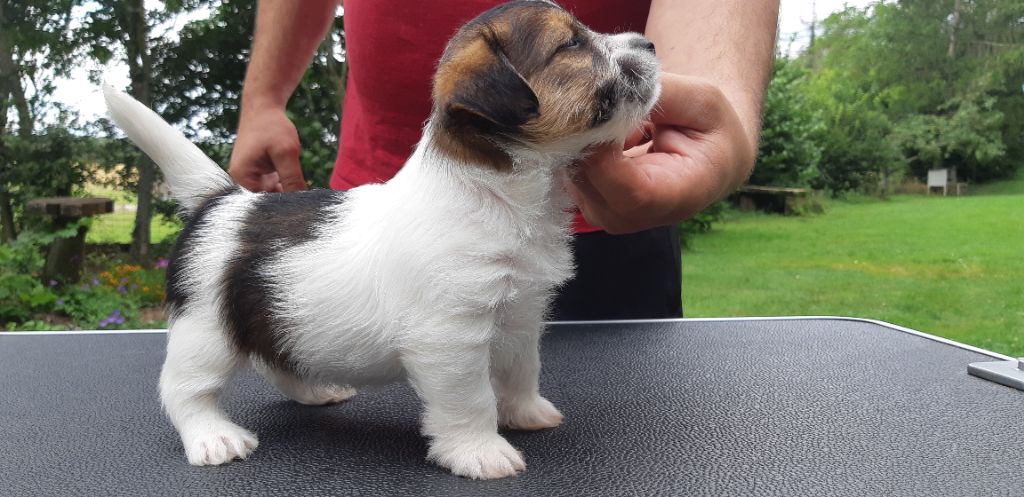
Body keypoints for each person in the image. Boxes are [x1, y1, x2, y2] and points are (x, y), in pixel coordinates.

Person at [228, 0, 780, 320]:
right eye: (571, 46)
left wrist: (710, 91)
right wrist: (262, 98)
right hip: (380, 207)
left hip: (612, 205)